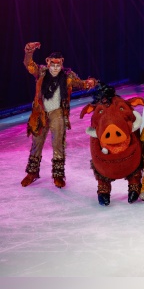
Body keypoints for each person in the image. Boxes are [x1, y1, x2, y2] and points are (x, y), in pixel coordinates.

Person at [21, 42, 97, 188]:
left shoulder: (68, 76)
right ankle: (32, 172)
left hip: (58, 113)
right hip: (41, 112)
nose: (55, 68)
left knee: (58, 144)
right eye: (53, 64)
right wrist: (29, 51)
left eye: (58, 65)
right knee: (37, 143)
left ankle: (58, 175)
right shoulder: (41, 72)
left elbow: (81, 84)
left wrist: (90, 82)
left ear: (62, 63)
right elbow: (28, 64)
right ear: (47, 62)